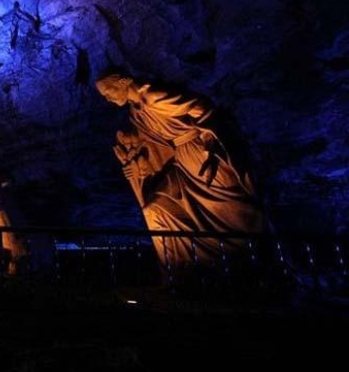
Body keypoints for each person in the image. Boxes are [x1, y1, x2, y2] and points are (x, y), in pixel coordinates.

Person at [95, 67, 265, 286]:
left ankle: (242, 260)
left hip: (198, 151)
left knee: (222, 206)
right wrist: (139, 166)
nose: (108, 98)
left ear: (123, 81)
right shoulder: (136, 112)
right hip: (180, 159)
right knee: (155, 208)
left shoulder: (153, 97)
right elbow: (150, 146)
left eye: (108, 91)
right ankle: (183, 271)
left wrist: (211, 144)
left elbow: (201, 109)